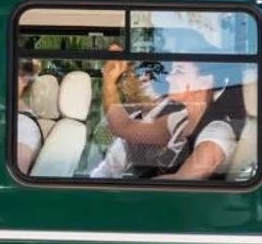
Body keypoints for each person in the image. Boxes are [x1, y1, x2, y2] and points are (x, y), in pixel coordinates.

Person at [90, 44, 243, 180]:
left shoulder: (217, 132)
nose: (169, 78)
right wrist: (109, 81)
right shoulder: (180, 121)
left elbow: (183, 181)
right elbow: (123, 127)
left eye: (179, 71)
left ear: (206, 81)